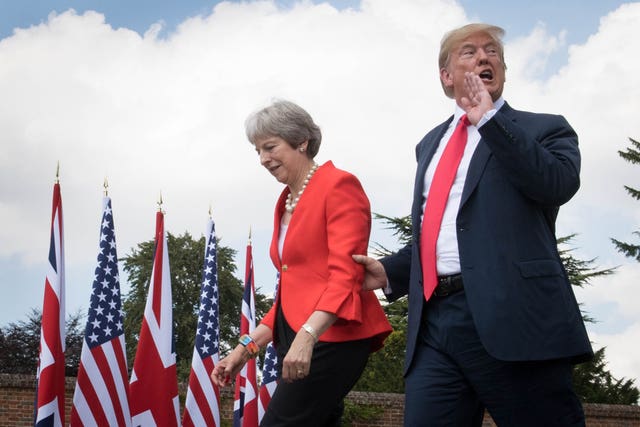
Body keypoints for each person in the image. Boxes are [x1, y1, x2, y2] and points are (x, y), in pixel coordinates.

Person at [353, 23, 593, 426]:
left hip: (514, 319)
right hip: (434, 325)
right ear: (446, 76)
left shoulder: (544, 128)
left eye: (492, 52)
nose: (484, 57)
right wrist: (390, 270)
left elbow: (556, 185)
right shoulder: (430, 143)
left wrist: (489, 121)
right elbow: (442, 231)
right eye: (469, 51)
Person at [211, 99, 392, 426]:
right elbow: (291, 293)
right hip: (294, 337)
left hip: (332, 338)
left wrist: (306, 337)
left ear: (301, 142)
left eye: (270, 147)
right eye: (258, 152)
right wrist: (244, 349)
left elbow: (344, 277)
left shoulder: (338, 185)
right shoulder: (285, 201)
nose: (264, 159)